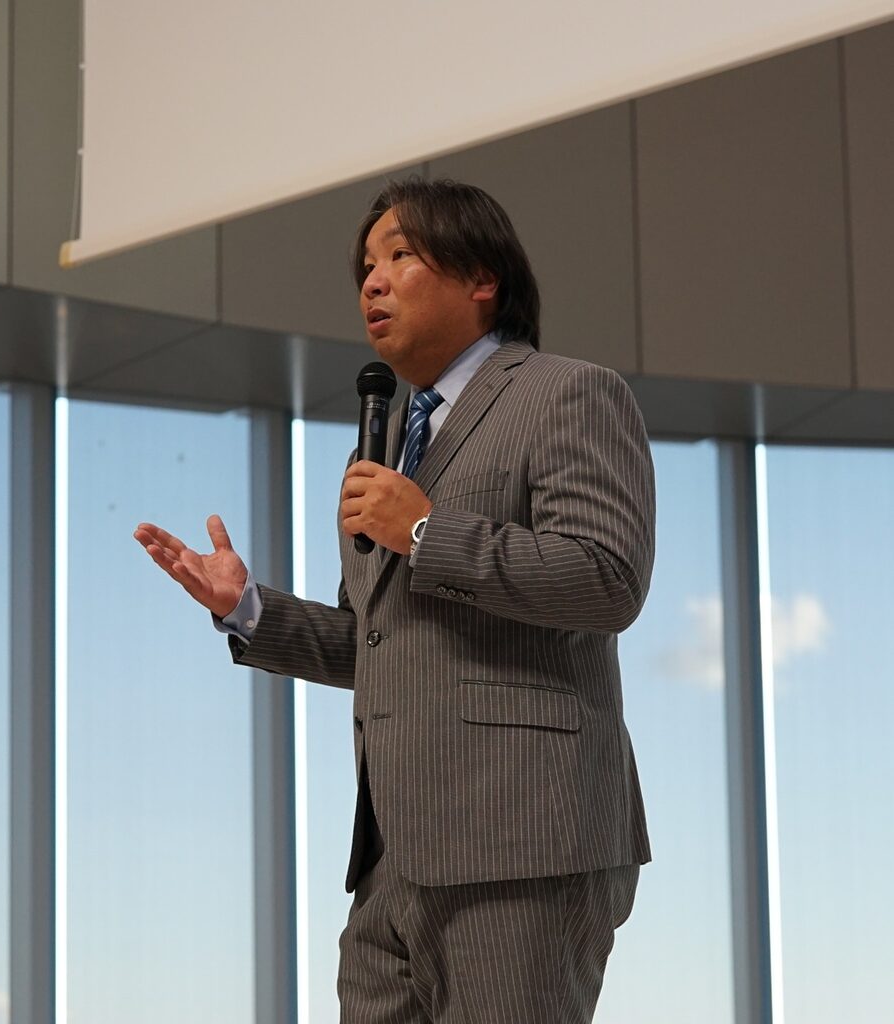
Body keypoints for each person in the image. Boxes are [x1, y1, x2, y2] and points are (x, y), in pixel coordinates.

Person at [134, 177, 656, 1023]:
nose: (372, 283)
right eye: (365, 268)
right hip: (389, 861)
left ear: (481, 276)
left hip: (522, 840)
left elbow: (607, 578)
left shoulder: (568, 393)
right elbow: (374, 644)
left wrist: (424, 530)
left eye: (400, 255)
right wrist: (248, 609)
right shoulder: (380, 449)